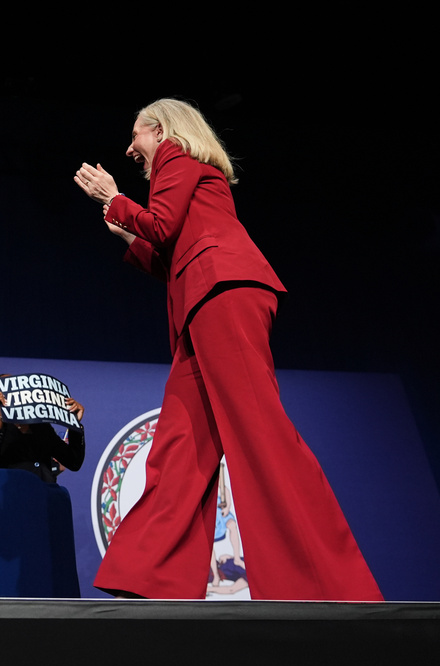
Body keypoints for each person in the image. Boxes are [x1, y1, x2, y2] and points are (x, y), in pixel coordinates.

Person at [75, 98, 382, 600]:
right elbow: (172, 254)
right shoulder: (186, 171)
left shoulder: (177, 155)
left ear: (164, 128)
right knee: (180, 443)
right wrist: (127, 230)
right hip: (202, 302)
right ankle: (150, 576)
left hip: (223, 294)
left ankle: (323, 580)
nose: (131, 149)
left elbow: (163, 226)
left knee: (260, 433)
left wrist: (114, 199)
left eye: (136, 135)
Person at [0, 377, 85, 483]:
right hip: (12, 495)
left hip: (43, 495)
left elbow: (73, 462)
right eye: (6, 386)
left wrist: (74, 423)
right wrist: (1, 415)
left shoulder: (41, 427)